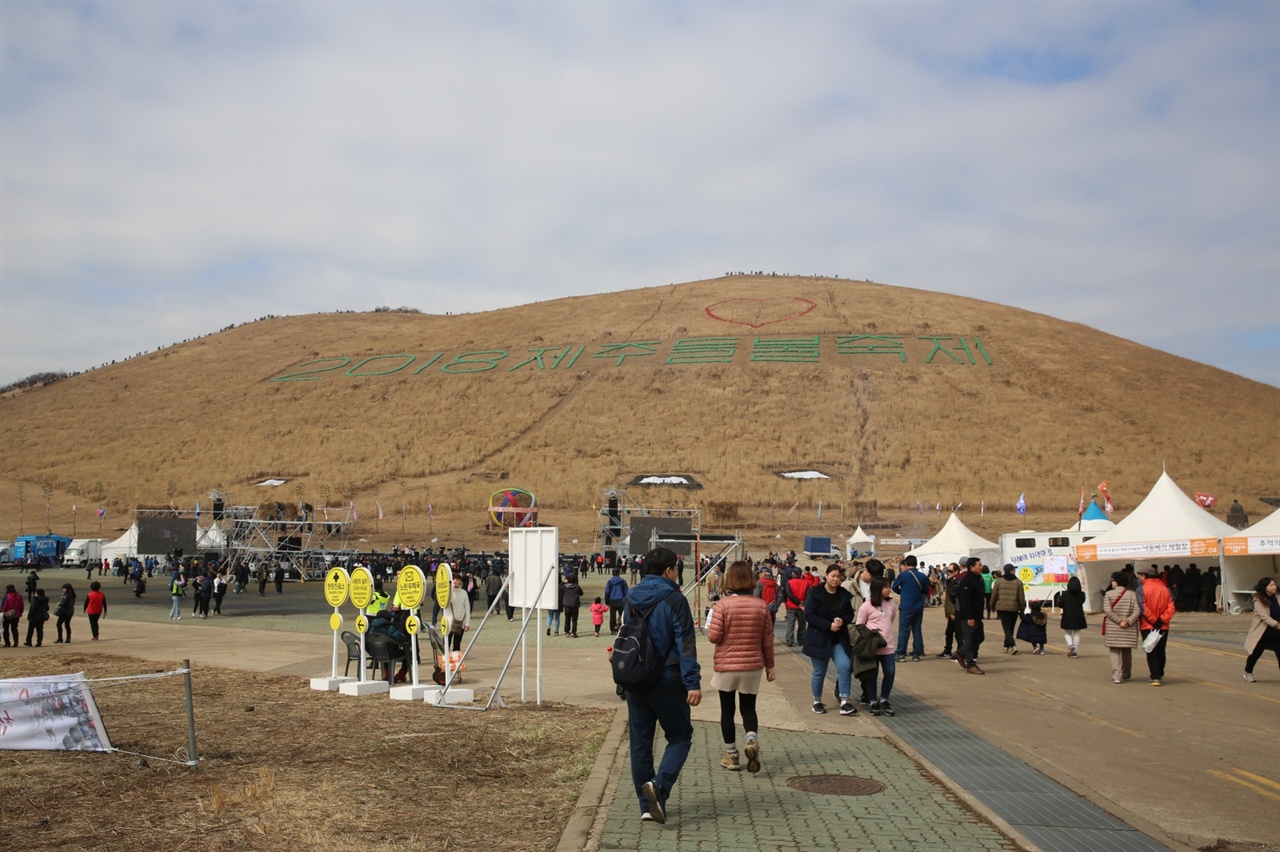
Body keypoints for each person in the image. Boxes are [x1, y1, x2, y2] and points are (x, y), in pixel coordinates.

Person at [623, 547, 701, 825]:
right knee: (680, 737)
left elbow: (626, 636)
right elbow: (686, 643)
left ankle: (647, 806)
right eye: (677, 569)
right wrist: (693, 682)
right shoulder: (674, 599)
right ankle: (659, 786)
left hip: (635, 680)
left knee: (640, 744)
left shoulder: (631, 597)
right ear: (669, 570)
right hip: (668, 679)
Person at [706, 560, 775, 773]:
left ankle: (731, 756)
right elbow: (767, 639)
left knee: (727, 710)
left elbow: (714, 636)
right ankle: (751, 740)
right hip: (752, 665)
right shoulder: (761, 606)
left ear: (730, 580)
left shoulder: (723, 605)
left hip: (727, 665)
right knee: (748, 708)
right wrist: (770, 666)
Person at [802, 565, 857, 716]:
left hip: (837, 639)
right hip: (819, 638)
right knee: (820, 671)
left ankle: (844, 701)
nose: (836, 579)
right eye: (833, 576)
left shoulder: (843, 594)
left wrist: (842, 621)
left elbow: (849, 614)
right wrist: (828, 625)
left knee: (845, 666)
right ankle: (817, 701)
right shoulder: (816, 593)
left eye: (839, 577)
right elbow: (809, 615)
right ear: (826, 576)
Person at [856, 577, 898, 716]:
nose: (889, 589)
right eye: (886, 587)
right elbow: (860, 624)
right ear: (878, 589)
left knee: (890, 673)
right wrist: (871, 637)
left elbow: (890, 620)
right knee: (872, 675)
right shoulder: (866, 605)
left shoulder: (891, 604)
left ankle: (884, 699)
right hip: (872, 648)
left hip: (888, 647)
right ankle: (873, 701)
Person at [1138, 564, 1175, 686]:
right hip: (1163, 625)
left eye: (1140, 575)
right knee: (1161, 650)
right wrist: (1162, 620)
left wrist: (1153, 620)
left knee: (1150, 650)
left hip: (1147, 625)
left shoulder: (1141, 589)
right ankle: (1160, 672)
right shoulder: (1166, 589)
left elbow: (1143, 607)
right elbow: (1172, 606)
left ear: (1144, 576)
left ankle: (1155, 676)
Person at [1102, 572, 1140, 683]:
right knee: (1127, 651)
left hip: (1114, 628)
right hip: (1129, 628)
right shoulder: (1133, 595)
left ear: (1116, 581)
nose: (1111, 583)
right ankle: (1126, 673)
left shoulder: (1109, 594)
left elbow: (1108, 610)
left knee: (1114, 651)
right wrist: (1128, 621)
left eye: (1112, 580)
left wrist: (1119, 621)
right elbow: (1137, 610)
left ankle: (1117, 676)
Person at [891, 555, 929, 662]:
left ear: (906, 564)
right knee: (916, 629)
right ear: (916, 564)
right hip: (918, 606)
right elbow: (926, 590)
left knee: (903, 630)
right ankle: (916, 653)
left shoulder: (903, 575)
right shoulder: (922, 576)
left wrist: (902, 592)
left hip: (906, 606)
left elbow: (894, 586)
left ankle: (901, 653)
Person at [1243, 577, 1280, 683]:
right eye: (1271, 585)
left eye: (1274, 584)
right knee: (1256, 653)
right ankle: (1248, 672)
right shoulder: (1258, 600)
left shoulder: (1277, 597)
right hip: (1263, 631)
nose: (1274, 587)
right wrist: (1277, 625)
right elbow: (1264, 617)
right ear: (1264, 588)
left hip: (1275, 632)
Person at [954, 558, 986, 674]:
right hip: (969, 616)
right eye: (979, 565)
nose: (981, 567)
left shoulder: (978, 578)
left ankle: (960, 652)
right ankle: (970, 664)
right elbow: (965, 600)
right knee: (969, 640)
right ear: (972, 567)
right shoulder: (967, 580)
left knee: (979, 637)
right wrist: (969, 617)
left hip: (977, 615)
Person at [991, 564, 1026, 654]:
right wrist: (1022, 608)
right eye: (1013, 569)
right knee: (1010, 627)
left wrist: (992, 606)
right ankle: (1011, 645)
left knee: (1007, 628)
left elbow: (994, 595)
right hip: (1014, 608)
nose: (1014, 571)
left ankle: (1008, 645)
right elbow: (1021, 597)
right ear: (1011, 571)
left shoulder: (998, 581)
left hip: (1001, 607)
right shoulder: (1018, 582)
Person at [1058, 576, 1088, 658]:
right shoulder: (1082, 594)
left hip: (1067, 615)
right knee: (1077, 633)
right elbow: (1082, 601)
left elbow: (1060, 604)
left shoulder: (1064, 594)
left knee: (1067, 633)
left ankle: (1071, 645)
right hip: (1078, 615)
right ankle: (1075, 652)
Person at [782, 564, 809, 646]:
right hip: (802, 606)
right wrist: (802, 603)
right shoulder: (806, 583)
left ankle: (790, 640)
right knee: (802, 624)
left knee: (790, 623)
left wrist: (797, 602)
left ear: (794, 574)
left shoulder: (789, 583)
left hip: (791, 605)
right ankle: (801, 640)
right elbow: (808, 595)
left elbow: (789, 594)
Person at [444, 575, 472, 652]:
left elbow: (467, 608)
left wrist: (467, 623)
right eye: (456, 580)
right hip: (449, 621)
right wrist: (451, 588)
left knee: (457, 644)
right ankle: (445, 660)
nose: (458, 582)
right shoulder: (448, 592)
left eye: (459, 580)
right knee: (446, 643)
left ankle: (456, 661)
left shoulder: (464, 593)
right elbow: (444, 603)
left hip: (460, 623)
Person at [605, 568, 629, 634]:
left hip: (612, 601)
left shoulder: (609, 582)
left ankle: (612, 629)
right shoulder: (623, 582)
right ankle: (622, 628)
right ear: (619, 573)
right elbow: (626, 592)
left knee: (612, 616)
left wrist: (607, 601)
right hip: (621, 601)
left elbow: (607, 592)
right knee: (622, 616)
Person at [562, 573, 583, 638]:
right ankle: (573, 632)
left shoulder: (565, 587)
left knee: (567, 619)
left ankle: (567, 632)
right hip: (575, 605)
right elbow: (581, 593)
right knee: (574, 620)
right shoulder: (577, 587)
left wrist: (563, 582)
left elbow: (560, 587)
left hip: (567, 605)